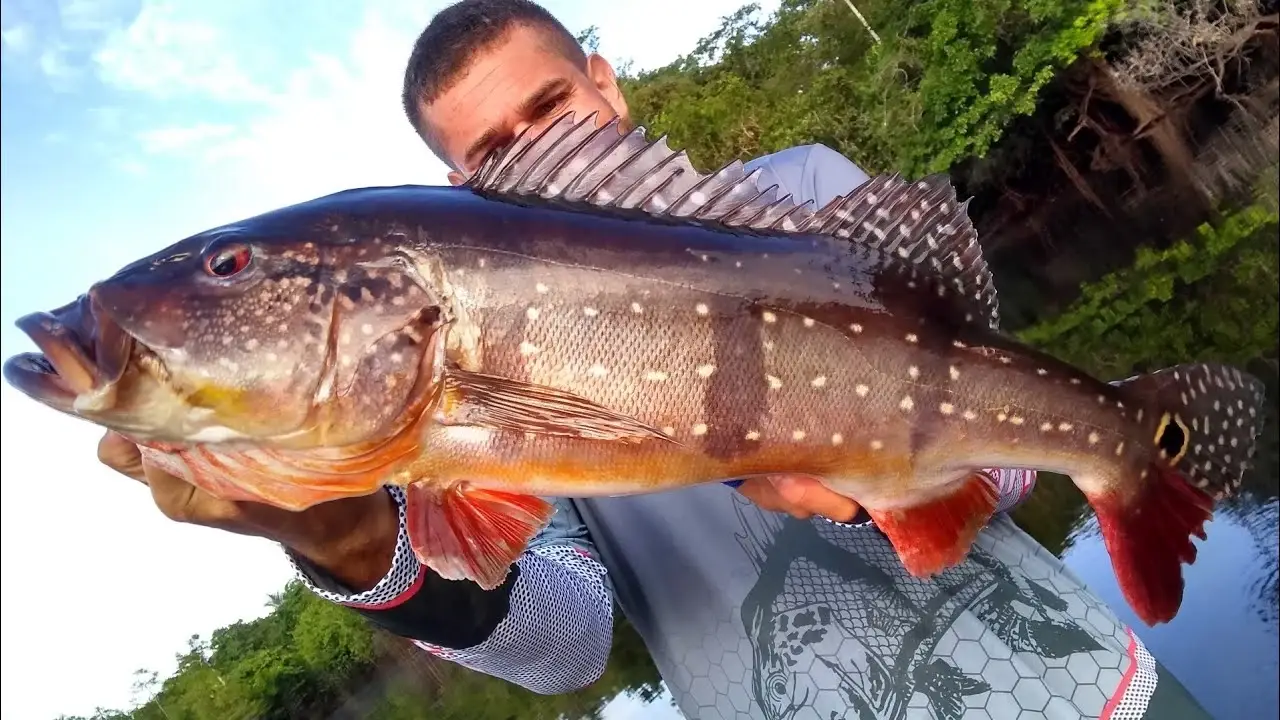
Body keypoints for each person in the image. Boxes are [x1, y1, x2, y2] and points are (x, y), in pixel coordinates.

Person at [98, 1, 1214, 718]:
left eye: (550, 108)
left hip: (1083, 694)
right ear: (452, 189)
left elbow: (1005, 474)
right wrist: (339, 543)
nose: (540, 148)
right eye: (493, 152)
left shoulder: (810, 205)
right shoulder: (434, 402)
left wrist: (880, 499)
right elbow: (565, 647)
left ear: (604, 82)